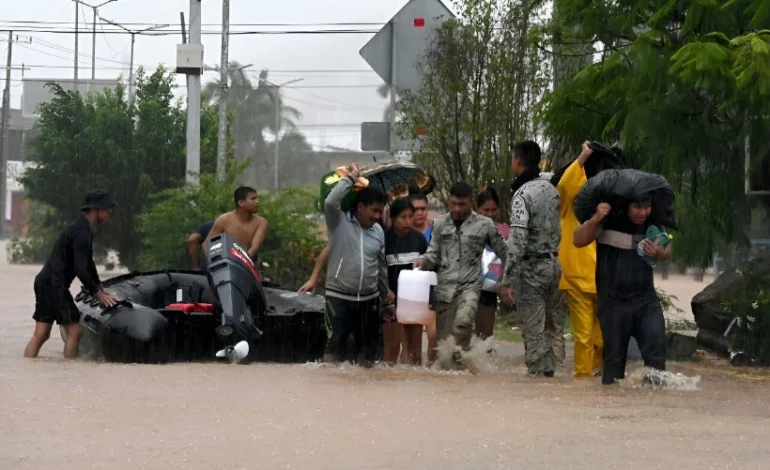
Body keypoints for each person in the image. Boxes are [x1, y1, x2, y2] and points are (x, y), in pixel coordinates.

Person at [573, 197, 672, 385]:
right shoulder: (607, 219)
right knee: (613, 365)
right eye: (637, 207)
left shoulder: (653, 222)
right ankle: (614, 409)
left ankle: (656, 408)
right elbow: (577, 240)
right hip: (613, 303)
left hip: (646, 300)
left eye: (647, 206)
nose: (642, 212)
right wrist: (595, 219)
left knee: (656, 352)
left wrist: (660, 253)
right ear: (627, 205)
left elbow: (668, 250)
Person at [413, 182, 507, 366]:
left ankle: (465, 366)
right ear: (449, 201)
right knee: (444, 345)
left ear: (471, 202)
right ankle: (457, 373)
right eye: (454, 203)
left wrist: (507, 281)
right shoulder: (440, 224)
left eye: (462, 204)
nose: (457, 208)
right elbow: (433, 254)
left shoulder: (484, 225)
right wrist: (422, 261)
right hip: (444, 290)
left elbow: (506, 253)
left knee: (463, 323)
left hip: (469, 287)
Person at [24, 189, 119, 359]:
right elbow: (81, 268)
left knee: (42, 334)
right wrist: (97, 294)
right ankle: (70, 376)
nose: (110, 211)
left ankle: (28, 369)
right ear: (95, 209)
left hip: (45, 281)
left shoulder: (82, 228)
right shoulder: (81, 232)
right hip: (55, 284)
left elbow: (88, 263)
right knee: (75, 332)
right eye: (106, 208)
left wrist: (99, 286)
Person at [499, 141, 566, 378]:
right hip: (556, 265)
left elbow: (517, 240)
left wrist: (507, 280)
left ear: (517, 160)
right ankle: (553, 377)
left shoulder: (522, 195)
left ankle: (539, 379)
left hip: (532, 269)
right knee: (554, 328)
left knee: (535, 331)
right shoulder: (551, 189)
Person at [323, 162, 390, 365]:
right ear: (360, 206)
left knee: (369, 354)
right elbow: (329, 202)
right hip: (338, 297)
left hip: (369, 300)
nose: (378, 217)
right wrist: (352, 178)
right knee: (333, 347)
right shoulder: (338, 221)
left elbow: (381, 267)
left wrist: (385, 297)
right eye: (375, 211)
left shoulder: (378, 231)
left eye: (381, 212)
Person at [555, 141, 604, 378]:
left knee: (602, 336)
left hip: (603, 278)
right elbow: (565, 185)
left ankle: (598, 376)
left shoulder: (608, 201)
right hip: (576, 277)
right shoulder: (572, 203)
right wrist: (583, 156)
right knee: (584, 335)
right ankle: (583, 379)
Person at [382, 197, 429, 365]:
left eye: (411, 216)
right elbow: (378, 269)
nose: (408, 221)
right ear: (392, 218)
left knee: (415, 350)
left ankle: (414, 384)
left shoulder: (419, 239)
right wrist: (385, 289)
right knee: (392, 347)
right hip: (390, 300)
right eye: (403, 217)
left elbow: (428, 264)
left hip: (413, 300)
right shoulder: (383, 239)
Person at [475, 187, 510, 340]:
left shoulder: (504, 231)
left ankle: (485, 359)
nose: (489, 214)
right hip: (470, 285)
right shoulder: (470, 229)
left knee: (487, 333)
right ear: (477, 209)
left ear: (499, 209)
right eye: (485, 210)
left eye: (493, 209)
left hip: (492, 286)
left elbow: (509, 258)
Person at [204, 186, 269, 262]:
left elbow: (254, 249)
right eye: (253, 199)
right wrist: (213, 260)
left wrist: (241, 262)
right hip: (223, 262)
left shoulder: (261, 222)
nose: (257, 202)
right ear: (241, 202)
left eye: (257, 198)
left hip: (248, 263)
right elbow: (207, 243)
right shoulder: (224, 219)